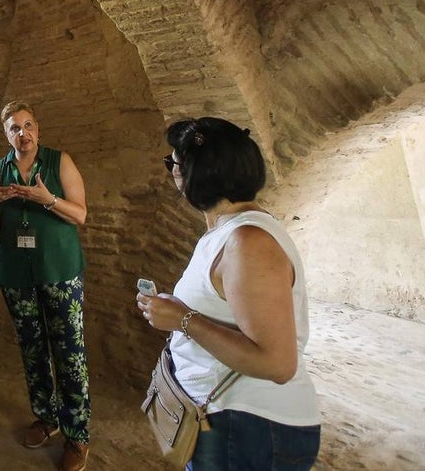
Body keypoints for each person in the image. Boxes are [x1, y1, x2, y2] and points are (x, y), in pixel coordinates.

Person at [136, 117, 320, 471]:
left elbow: (277, 365)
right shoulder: (233, 231)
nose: (172, 173)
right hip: (234, 422)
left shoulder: (248, 243)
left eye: (173, 164)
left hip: (250, 427)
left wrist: (182, 320)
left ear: (195, 175)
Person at [0, 101, 91, 471]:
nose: (22, 134)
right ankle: (46, 418)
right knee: (32, 349)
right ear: (6, 133)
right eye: (14, 128)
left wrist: (48, 199)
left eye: (28, 126)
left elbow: (80, 215)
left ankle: (77, 434)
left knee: (69, 353)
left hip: (59, 270)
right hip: (16, 273)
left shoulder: (60, 162)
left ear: (38, 130)